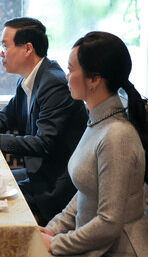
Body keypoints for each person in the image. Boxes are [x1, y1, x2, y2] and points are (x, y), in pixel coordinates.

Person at [0, 17, 88, 224]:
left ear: (28, 49)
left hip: (55, 187)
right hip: (38, 175)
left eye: (4, 46)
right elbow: (6, 115)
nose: (1, 52)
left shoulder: (54, 84)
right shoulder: (28, 80)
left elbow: (44, 144)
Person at [40, 31, 148, 256]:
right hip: (91, 246)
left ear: (94, 79)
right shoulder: (98, 120)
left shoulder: (117, 135)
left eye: (71, 70)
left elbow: (109, 223)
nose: (66, 77)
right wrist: (54, 229)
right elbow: (86, 189)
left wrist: (56, 243)